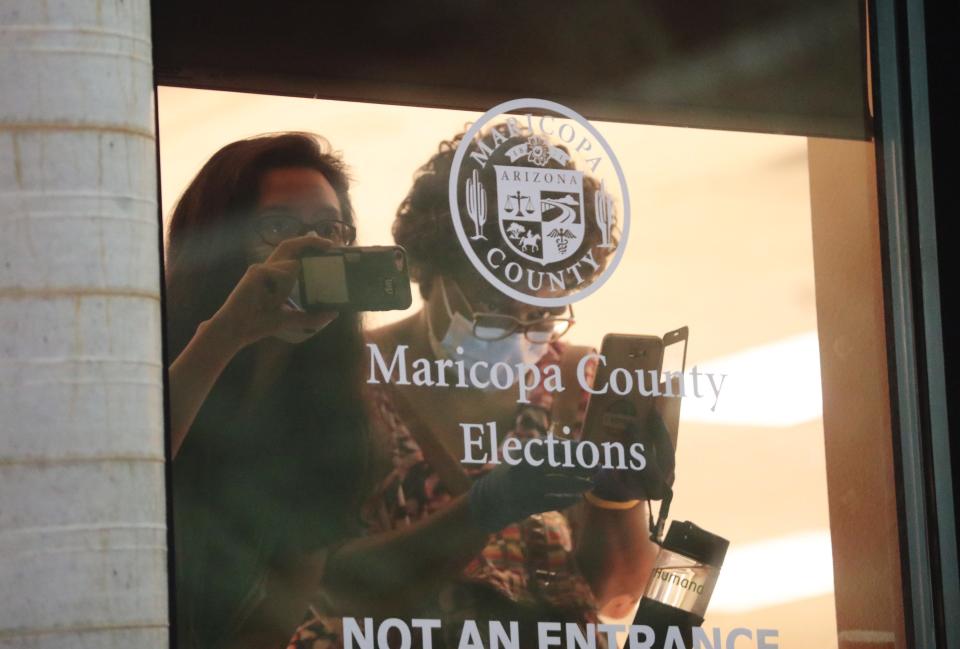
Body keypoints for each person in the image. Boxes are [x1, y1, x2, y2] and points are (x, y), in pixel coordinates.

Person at [301, 126, 667, 649]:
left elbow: (613, 598)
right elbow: (325, 588)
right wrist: (482, 510)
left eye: (542, 314)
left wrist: (620, 499)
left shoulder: (579, 383)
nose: (521, 334)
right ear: (426, 273)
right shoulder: (348, 379)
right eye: (493, 310)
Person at [165, 133, 370, 649]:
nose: (307, 250)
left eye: (329, 230)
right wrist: (227, 332)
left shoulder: (326, 409)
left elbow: (273, 619)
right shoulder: (137, 345)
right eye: (276, 227)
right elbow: (121, 481)